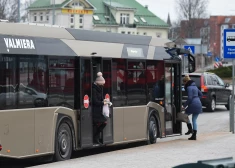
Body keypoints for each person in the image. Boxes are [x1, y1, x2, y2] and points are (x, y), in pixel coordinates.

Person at [182, 75, 203, 140]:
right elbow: (201, 95)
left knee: (184, 115)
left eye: (184, 83)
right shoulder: (195, 87)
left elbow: (190, 98)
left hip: (193, 104)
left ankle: (190, 129)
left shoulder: (189, 88)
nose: (184, 84)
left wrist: (184, 106)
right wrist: (196, 99)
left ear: (186, 82)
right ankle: (194, 135)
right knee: (194, 120)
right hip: (198, 103)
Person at [92, 72, 108, 145]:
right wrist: (102, 103)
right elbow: (95, 101)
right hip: (95, 111)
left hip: (99, 110)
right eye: (102, 83)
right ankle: (96, 137)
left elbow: (100, 99)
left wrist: (104, 100)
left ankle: (96, 137)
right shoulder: (94, 89)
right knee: (103, 122)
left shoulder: (99, 88)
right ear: (99, 83)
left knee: (103, 122)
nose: (103, 85)